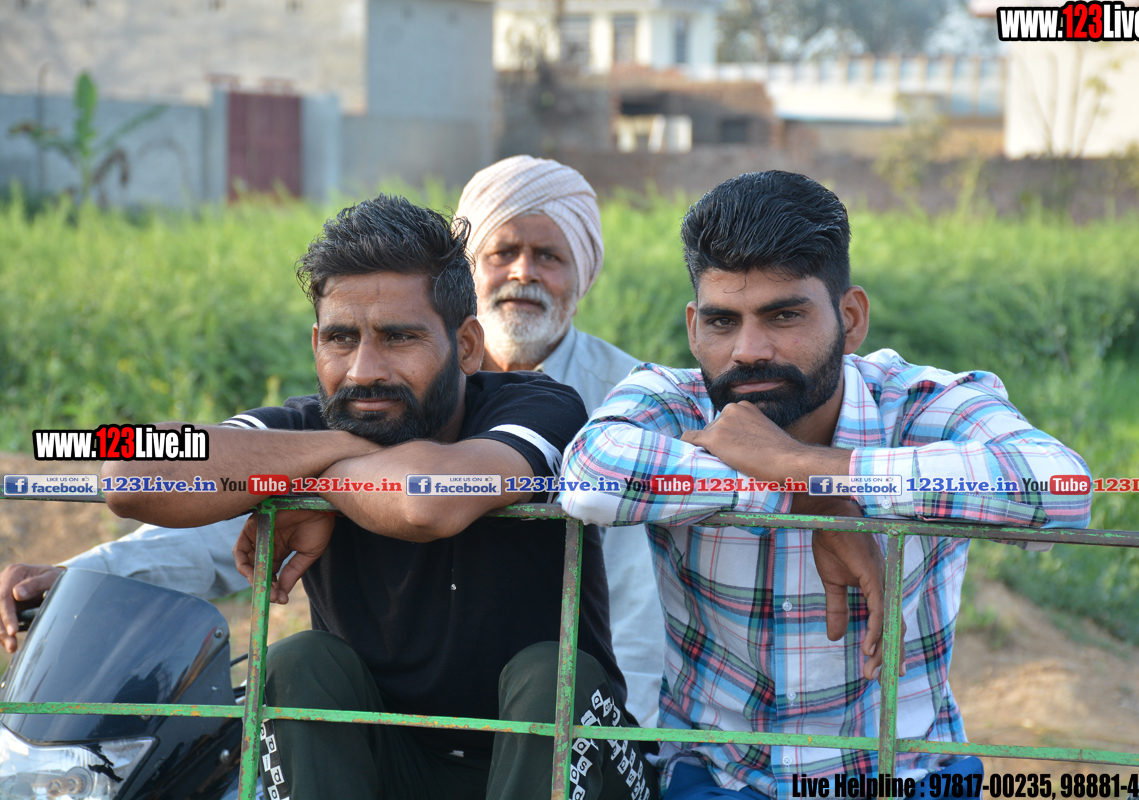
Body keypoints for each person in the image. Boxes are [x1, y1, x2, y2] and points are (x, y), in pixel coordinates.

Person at [0, 156, 666, 733]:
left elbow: (636, 601)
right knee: (299, 665)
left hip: (554, 733)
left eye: (549, 256)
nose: (524, 273)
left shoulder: (611, 402)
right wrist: (93, 576)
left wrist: (642, 747)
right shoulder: (354, 404)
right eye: (503, 252)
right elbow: (156, 483)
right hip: (392, 737)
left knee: (551, 680)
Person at [558, 171, 1093, 799]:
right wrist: (805, 490)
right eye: (723, 321)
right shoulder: (674, 401)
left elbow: (1060, 488)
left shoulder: (919, 405)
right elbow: (588, 473)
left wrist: (811, 467)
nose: (749, 350)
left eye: (784, 315)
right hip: (724, 777)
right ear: (694, 326)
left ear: (851, 317)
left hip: (906, 775)